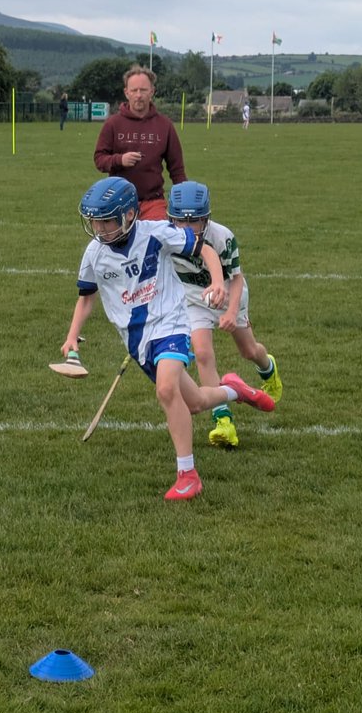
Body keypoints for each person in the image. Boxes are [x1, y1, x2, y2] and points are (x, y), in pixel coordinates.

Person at [60, 178, 276, 501]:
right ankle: (236, 389)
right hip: (137, 341)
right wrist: (72, 335)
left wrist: (218, 281)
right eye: (95, 221)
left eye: (106, 221)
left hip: (172, 323)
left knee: (166, 389)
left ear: (130, 216)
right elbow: (86, 296)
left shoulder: (155, 232)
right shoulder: (94, 254)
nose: (100, 229)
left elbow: (203, 247)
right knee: (197, 403)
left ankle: (188, 475)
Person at [167, 181, 281, 450]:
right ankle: (223, 421)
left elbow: (237, 279)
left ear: (205, 218)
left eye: (193, 221)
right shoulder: (167, 236)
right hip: (194, 298)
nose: (186, 228)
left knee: (249, 350)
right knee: (203, 353)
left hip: (229, 294)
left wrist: (231, 312)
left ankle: (268, 369)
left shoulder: (222, 237)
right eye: (179, 221)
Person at [93, 65, 187, 220]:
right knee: (118, 244)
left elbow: (177, 170)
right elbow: (99, 159)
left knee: (158, 242)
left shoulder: (165, 125)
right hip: (118, 202)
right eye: (134, 90)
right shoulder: (113, 124)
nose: (138, 95)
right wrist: (120, 160)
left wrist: (185, 200)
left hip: (153, 202)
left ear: (152, 92)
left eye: (143, 90)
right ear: (126, 92)